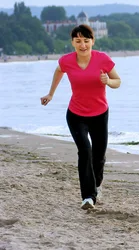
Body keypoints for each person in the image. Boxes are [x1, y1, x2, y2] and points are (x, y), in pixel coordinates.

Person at [40, 24, 121, 210]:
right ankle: (88, 197)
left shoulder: (103, 59)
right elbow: (59, 71)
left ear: (92, 41)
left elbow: (118, 81)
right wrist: (51, 94)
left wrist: (108, 81)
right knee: (85, 151)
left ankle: (96, 186)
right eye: (78, 41)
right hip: (76, 114)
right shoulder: (66, 60)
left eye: (86, 40)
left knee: (99, 156)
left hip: (100, 114)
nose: (82, 45)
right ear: (73, 43)